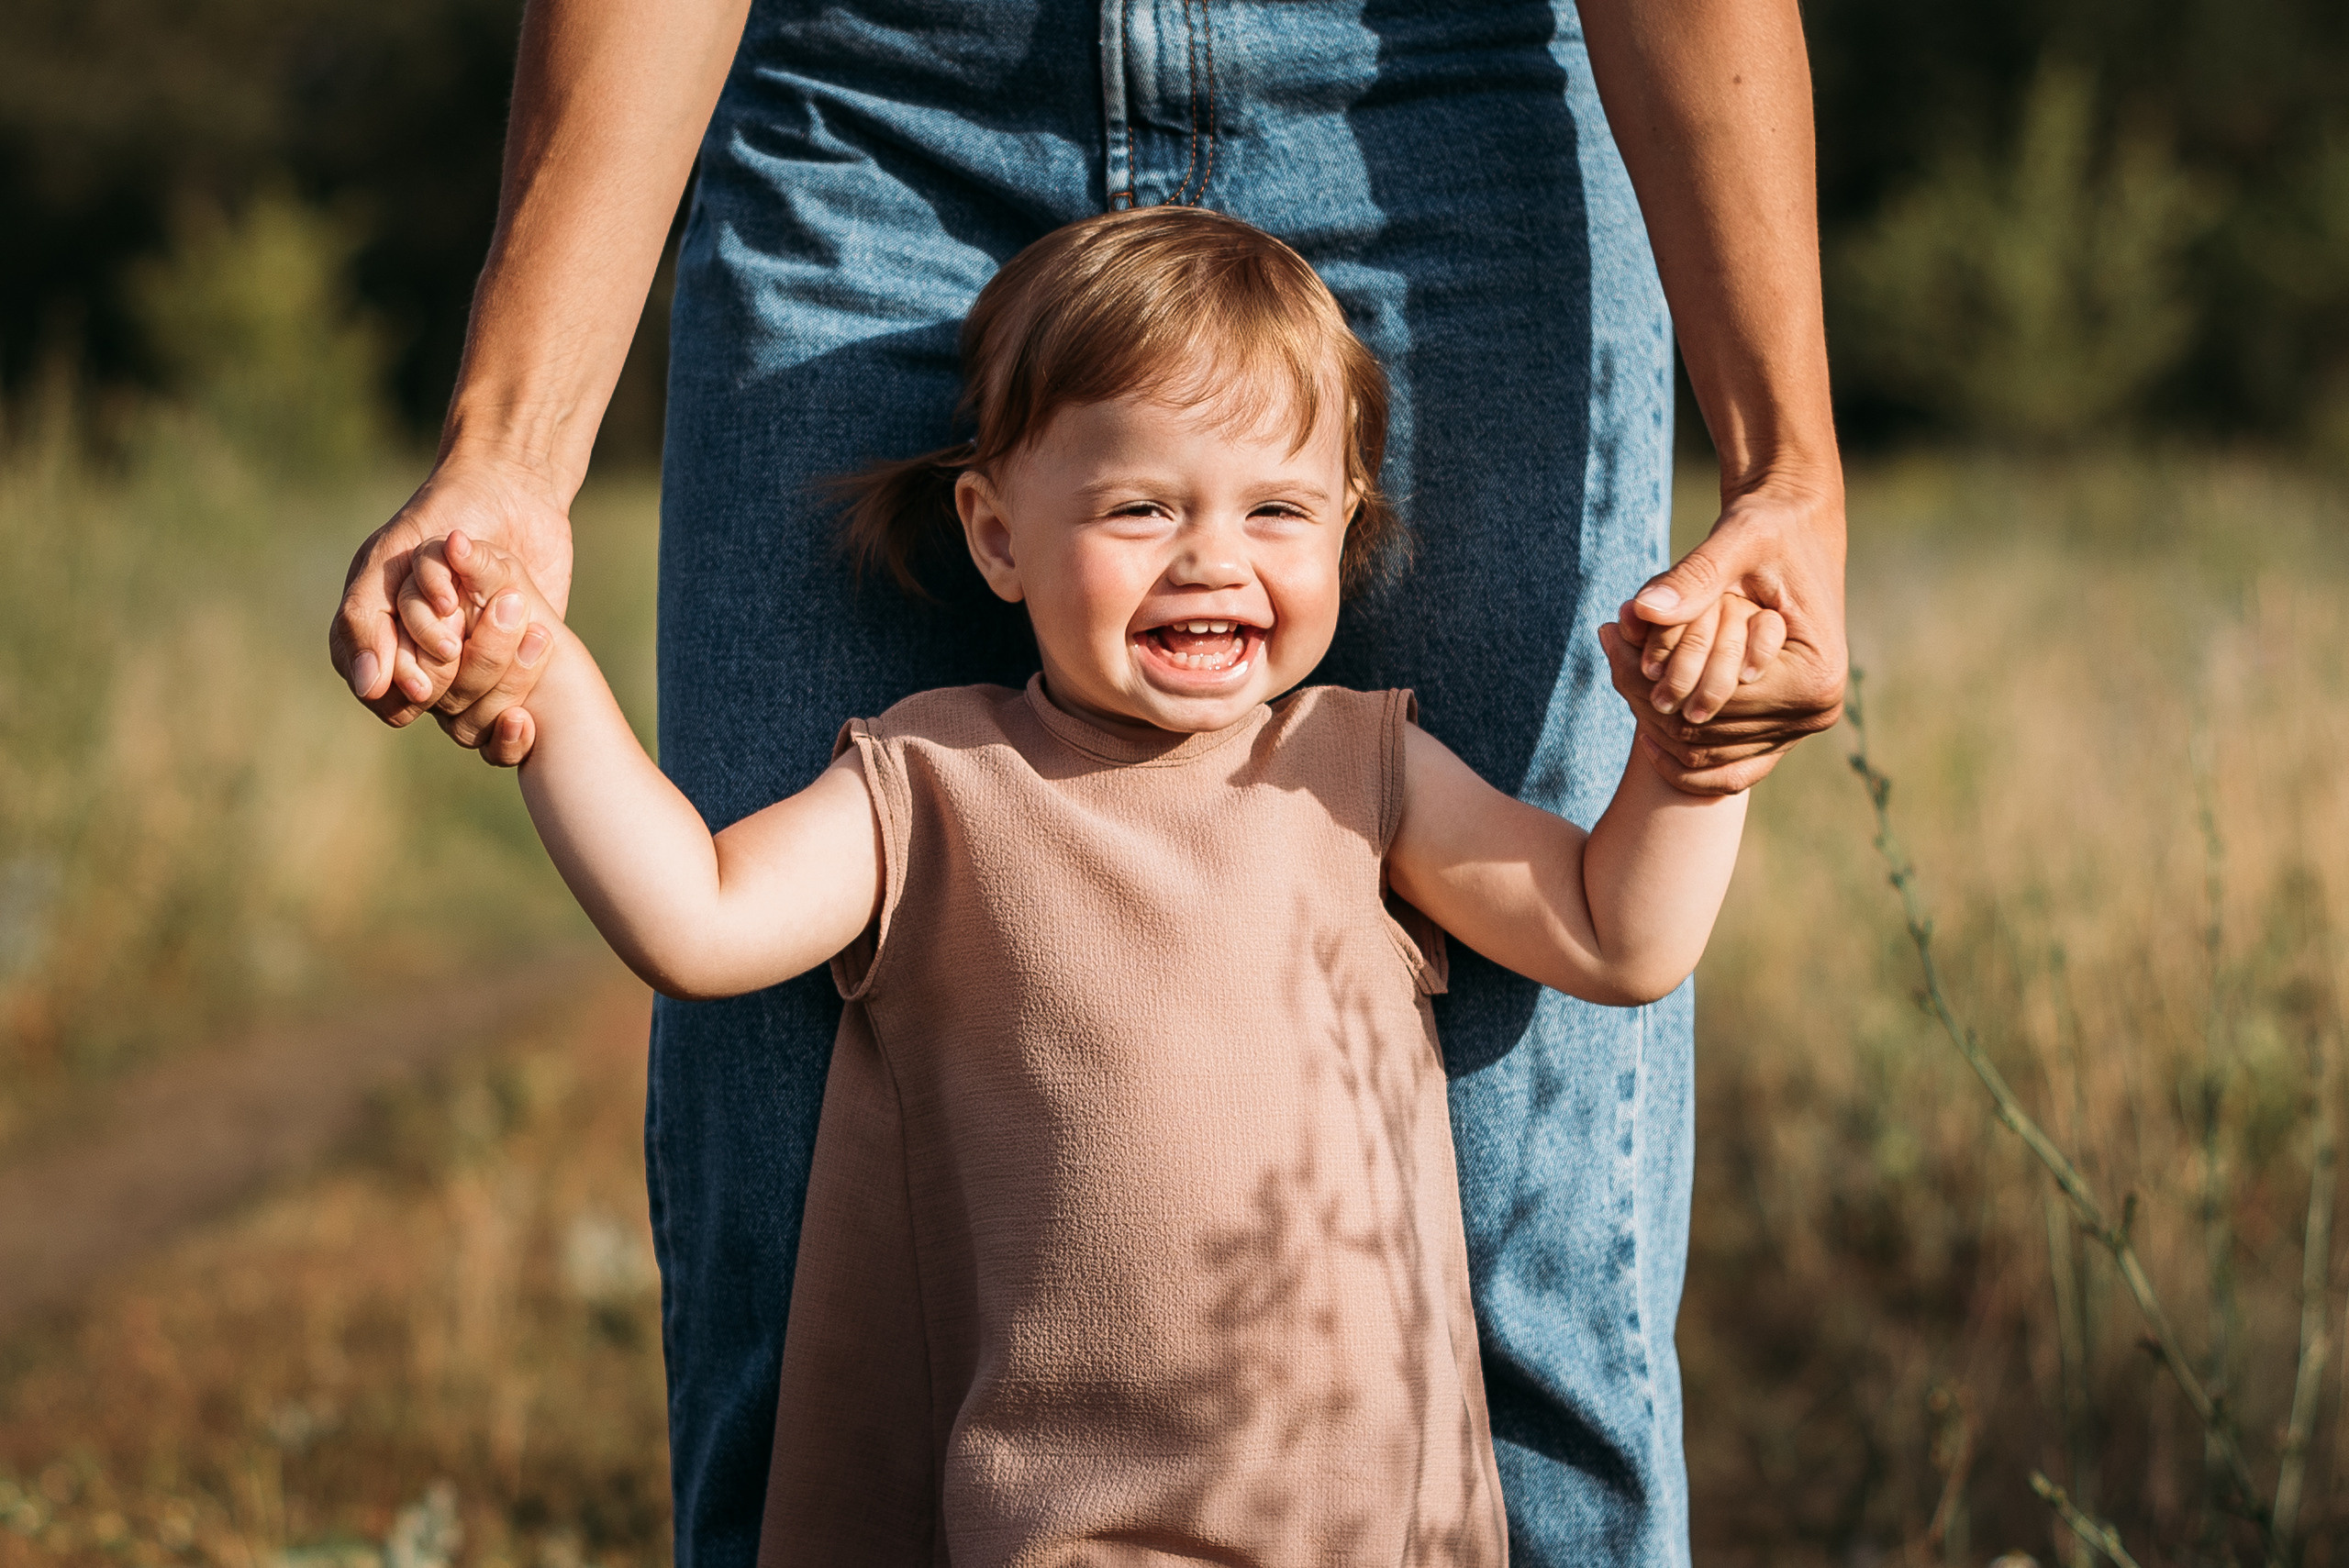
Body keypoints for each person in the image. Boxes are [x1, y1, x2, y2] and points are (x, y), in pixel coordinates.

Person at [328, 2, 1848, 1561]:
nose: (1214, 558)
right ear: (992, 532)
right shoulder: (932, 783)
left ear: (1349, 528)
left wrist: (1688, 757)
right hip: (1049, 1536)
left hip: (1363, 1535)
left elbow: (1618, 938)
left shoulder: (1363, 770)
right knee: (765, 1228)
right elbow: (697, 921)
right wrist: (545, 684)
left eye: (1276, 510)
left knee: (1553, 1285)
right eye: (1142, 508)